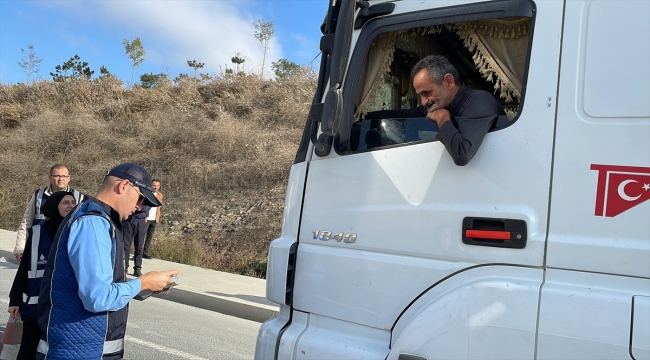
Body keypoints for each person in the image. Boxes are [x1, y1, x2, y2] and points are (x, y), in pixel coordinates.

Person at [36, 163, 179, 360]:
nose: (140, 207)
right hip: (79, 349)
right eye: (141, 199)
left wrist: (144, 286)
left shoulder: (99, 219)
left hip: (85, 346)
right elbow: (97, 297)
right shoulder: (93, 223)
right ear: (123, 186)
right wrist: (142, 282)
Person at [365, 55, 506, 166]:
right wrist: (359, 116)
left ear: (448, 82)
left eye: (427, 93)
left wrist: (442, 118)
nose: (423, 101)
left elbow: (462, 154)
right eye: (420, 95)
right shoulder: (437, 104)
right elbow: (400, 115)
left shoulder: (479, 101)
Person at [7, 191, 76, 360]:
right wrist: (15, 299)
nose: (70, 206)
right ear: (54, 205)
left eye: (73, 202)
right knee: (28, 349)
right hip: (35, 305)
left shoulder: (76, 230)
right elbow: (24, 268)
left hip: (61, 305)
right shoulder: (37, 232)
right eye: (65, 202)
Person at [13, 164, 83, 261]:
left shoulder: (78, 197)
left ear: (69, 178)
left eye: (64, 176)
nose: (61, 179)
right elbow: (26, 221)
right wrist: (20, 248)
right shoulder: (39, 194)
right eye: (57, 176)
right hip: (38, 244)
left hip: (65, 246)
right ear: (49, 178)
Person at [123, 205, 149, 277]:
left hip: (140, 220)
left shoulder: (148, 193)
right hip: (128, 219)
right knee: (125, 246)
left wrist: (141, 207)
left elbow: (150, 203)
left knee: (139, 246)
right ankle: (124, 268)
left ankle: (137, 268)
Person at [142, 179, 163, 259]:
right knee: (141, 236)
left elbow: (159, 207)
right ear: (150, 185)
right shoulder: (146, 193)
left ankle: (145, 252)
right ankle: (138, 253)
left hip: (154, 219)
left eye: (157, 186)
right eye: (154, 185)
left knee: (149, 236)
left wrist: (157, 217)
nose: (156, 187)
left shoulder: (160, 195)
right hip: (146, 218)